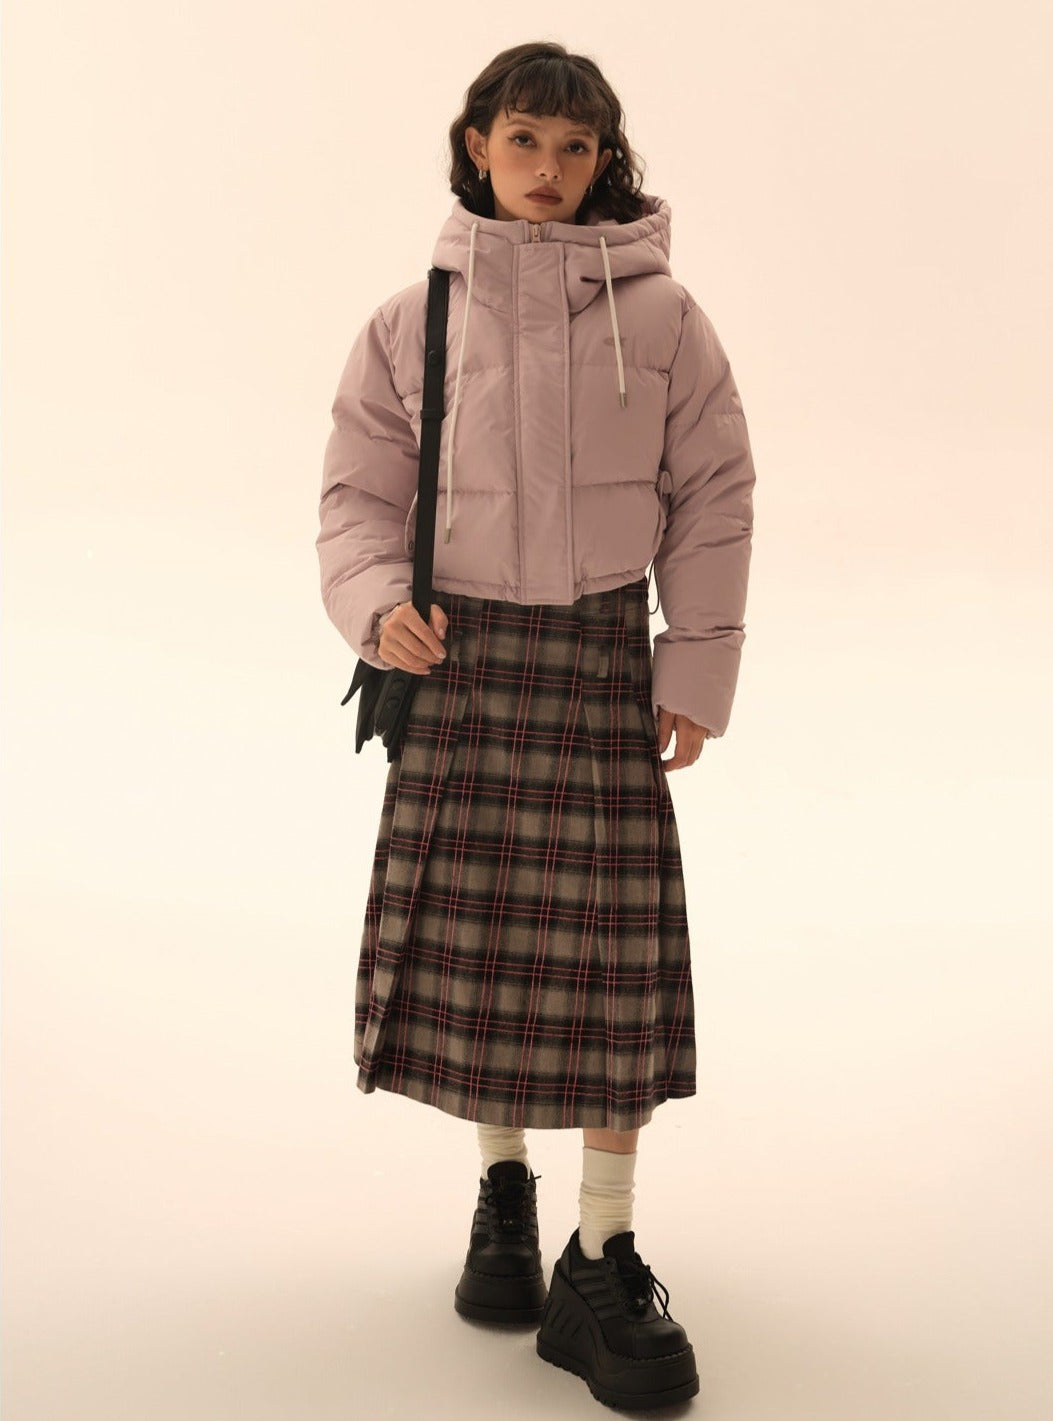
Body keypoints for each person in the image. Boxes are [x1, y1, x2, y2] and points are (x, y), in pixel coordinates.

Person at [316, 40, 755, 1411]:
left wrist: (694, 660)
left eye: (575, 147)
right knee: (488, 955)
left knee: (611, 965)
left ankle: (601, 1247)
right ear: (477, 148)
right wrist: (373, 603)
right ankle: (502, 1201)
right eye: (524, 140)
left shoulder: (667, 317)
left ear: (604, 158)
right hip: (459, 662)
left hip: (596, 661)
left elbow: (715, 491)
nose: (549, 168)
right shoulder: (411, 318)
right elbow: (357, 494)